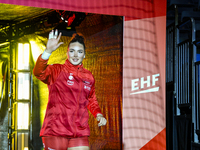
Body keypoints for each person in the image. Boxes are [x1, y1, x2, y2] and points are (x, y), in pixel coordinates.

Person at [33, 29, 107, 150]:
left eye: (79, 52)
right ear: (67, 53)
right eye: (72, 51)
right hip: (55, 131)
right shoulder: (57, 70)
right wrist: (47, 51)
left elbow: (91, 100)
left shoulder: (89, 76)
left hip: (79, 132)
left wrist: (98, 114)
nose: (76, 55)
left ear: (84, 54)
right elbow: (38, 72)